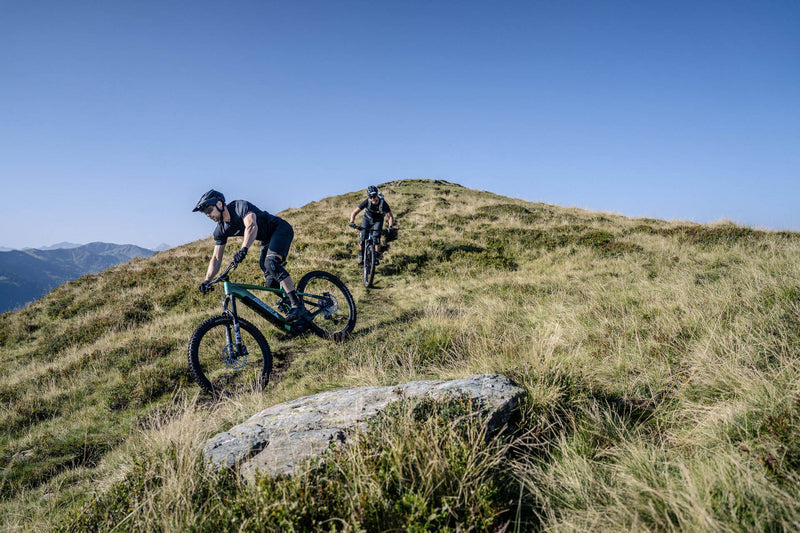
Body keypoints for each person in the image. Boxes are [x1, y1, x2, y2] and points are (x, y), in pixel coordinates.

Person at [193, 189, 308, 322]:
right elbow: (216, 258)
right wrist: (207, 280)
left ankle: (297, 305)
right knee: (270, 283)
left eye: (208, 210)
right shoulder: (221, 230)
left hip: (280, 229)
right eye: (204, 213)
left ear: (219, 203)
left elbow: (251, 226)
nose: (207, 215)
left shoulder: (239, 207)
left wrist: (244, 249)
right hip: (266, 240)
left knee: (270, 263)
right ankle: (296, 314)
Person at [348, 185, 395, 265]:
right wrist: (352, 222)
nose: (372, 198)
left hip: (378, 220)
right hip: (367, 219)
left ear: (377, 195)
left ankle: (376, 257)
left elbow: (390, 216)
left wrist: (390, 227)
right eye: (370, 197)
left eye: (374, 196)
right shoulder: (367, 202)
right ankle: (361, 256)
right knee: (362, 237)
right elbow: (354, 212)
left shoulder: (383, 203)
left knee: (376, 238)